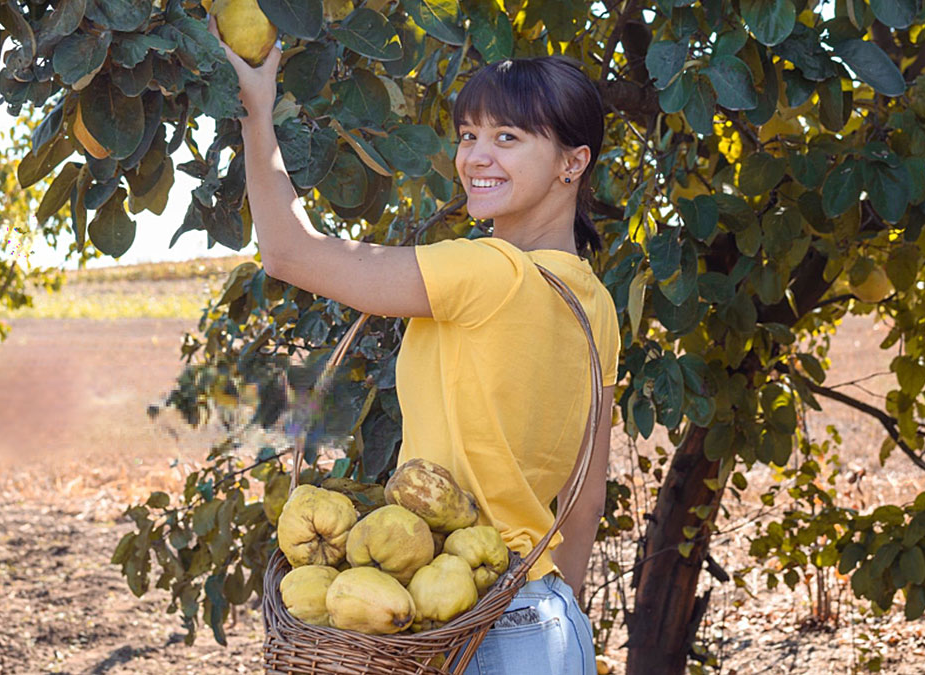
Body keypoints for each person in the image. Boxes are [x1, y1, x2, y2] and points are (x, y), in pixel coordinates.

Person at [211, 20, 621, 675]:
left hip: (461, 622)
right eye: (468, 136)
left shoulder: (485, 271)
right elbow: (586, 497)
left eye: (507, 138)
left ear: (574, 162)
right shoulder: (595, 303)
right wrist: (549, 602)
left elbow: (289, 252)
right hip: (544, 620)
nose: (475, 157)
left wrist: (256, 112)